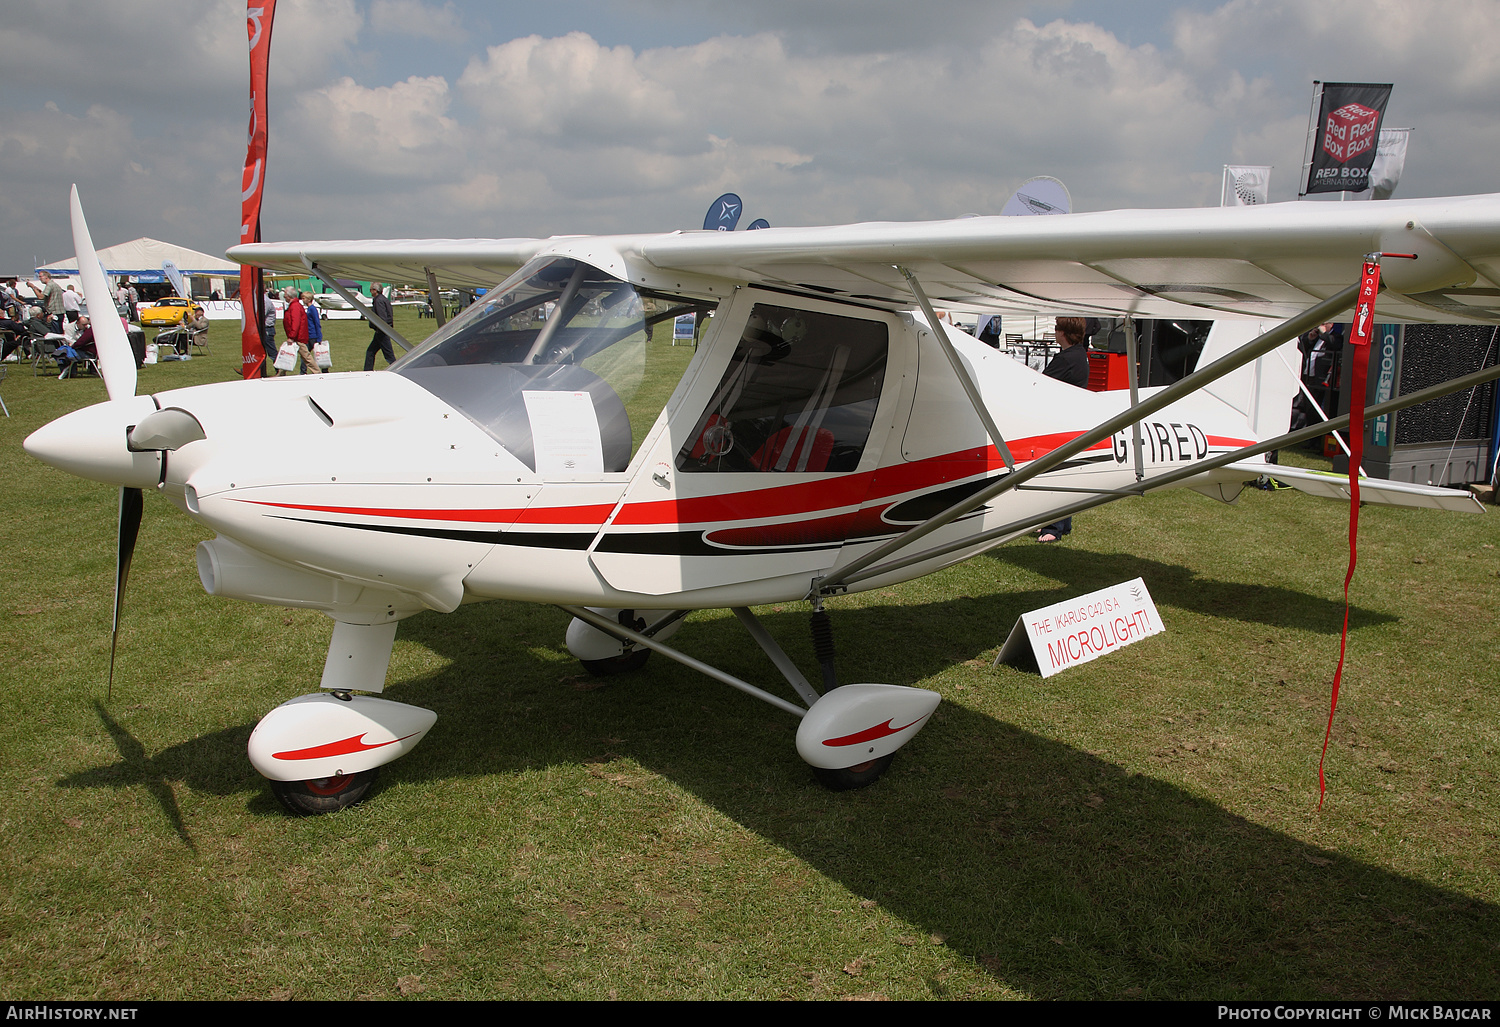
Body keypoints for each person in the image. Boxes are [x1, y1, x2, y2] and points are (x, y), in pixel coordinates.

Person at [1037, 316, 1091, 543]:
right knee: (1063, 472)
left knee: (1054, 473)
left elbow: (1042, 384)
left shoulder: (1066, 359)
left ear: (1064, 333)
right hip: (1072, 420)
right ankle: (1061, 524)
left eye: (1058, 328)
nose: (1056, 332)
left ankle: (1053, 528)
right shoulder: (1079, 355)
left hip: (1060, 423)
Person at [364, 284, 396, 370]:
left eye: (371, 290)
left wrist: (380, 328)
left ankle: (397, 369)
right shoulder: (383, 299)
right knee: (370, 352)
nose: (370, 292)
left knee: (389, 356)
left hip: (382, 331)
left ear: (375, 290)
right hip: (382, 331)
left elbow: (382, 317)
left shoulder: (378, 301)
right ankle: (367, 370)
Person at [302, 291, 325, 371]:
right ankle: (303, 371)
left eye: (303, 298)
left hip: (313, 335)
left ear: (308, 299)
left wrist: (319, 337)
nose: (302, 300)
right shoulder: (309, 309)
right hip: (309, 335)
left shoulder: (313, 309)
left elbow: (317, 323)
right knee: (305, 355)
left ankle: (323, 369)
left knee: (317, 354)